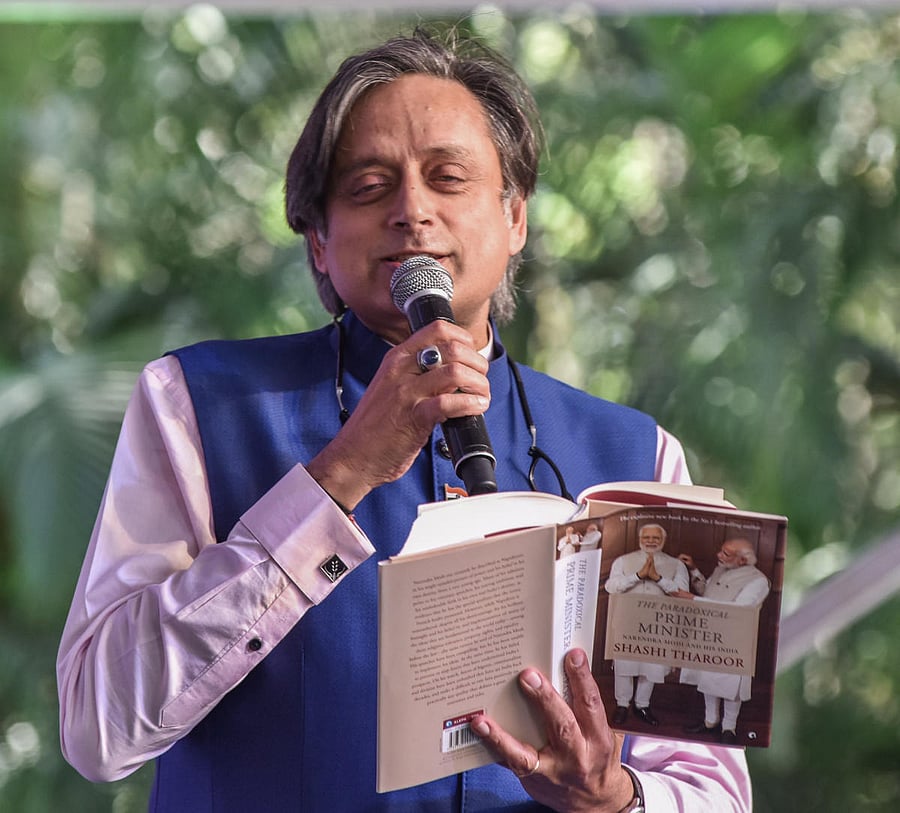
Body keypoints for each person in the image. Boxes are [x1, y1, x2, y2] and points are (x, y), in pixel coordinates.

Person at [56, 27, 752, 812]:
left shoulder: (638, 454)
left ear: (514, 217)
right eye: (368, 186)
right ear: (319, 241)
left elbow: (710, 789)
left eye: (448, 177)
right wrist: (338, 476)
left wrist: (614, 795)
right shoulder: (198, 402)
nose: (412, 210)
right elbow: (97, 726)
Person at [673, 538, 771, 745]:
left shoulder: (759, 581)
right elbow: (708, 591)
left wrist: (692, 600)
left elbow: (737, 609)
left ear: (742, 561)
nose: (719, 555)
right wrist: (693, 571)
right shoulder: (722, 570)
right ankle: (710, 722)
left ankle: (729, 728)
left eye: (726, 553)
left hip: (735, 638)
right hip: (710, 634)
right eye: (721, 551)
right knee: (707, 680)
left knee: (730, 686)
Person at [604, 524, 690, 727]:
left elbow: (682, 593)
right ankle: (622, 705)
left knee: (651, 667)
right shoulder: (623, 561)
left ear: (663, 540)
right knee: (624, 666)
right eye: (647, 537)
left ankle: (642, 705)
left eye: (656, 537)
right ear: (639, 538)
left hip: (659, 625)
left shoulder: (676, 565)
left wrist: (658, 579)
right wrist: (638, 576)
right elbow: (611, 586)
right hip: (628, 621)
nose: (651, 541)